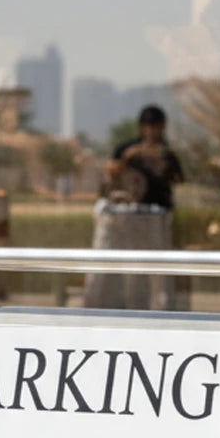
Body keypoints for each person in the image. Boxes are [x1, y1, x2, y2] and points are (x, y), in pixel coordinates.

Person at [83, 105, 184, 310]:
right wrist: (129, 157)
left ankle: (156, 309)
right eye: (148, 126)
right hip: (127, 220)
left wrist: (156, 160)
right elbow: (110, 173)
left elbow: (177, 179)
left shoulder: (166, 153)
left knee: (153, 271)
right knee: (126, 269)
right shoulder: (127, 148)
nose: (152, 131)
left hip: (155, 219)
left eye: (156, 126)